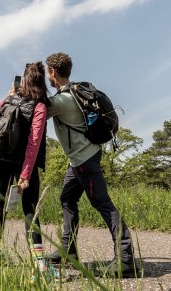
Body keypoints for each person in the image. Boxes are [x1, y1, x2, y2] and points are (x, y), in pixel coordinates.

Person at [45, 52, 135, 276]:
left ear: (53, 72)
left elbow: (36, 111)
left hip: (84, 160)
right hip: (80, 158)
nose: (47, 75)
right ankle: (68, 251)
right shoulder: (72, 93)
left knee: (103, 204)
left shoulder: (62, 101)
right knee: (67, 198)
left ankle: (125, 260)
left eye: (47, 71)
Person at [0, 61, 49, 273]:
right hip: (22, 164)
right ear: (42, 80)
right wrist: (25, 174)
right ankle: (39, 265)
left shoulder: (12, 98)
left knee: (0, 208)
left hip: (0, 159)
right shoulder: (39, 107)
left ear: (24, 79)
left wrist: (8, 97)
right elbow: (34, 143)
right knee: (30, 210)